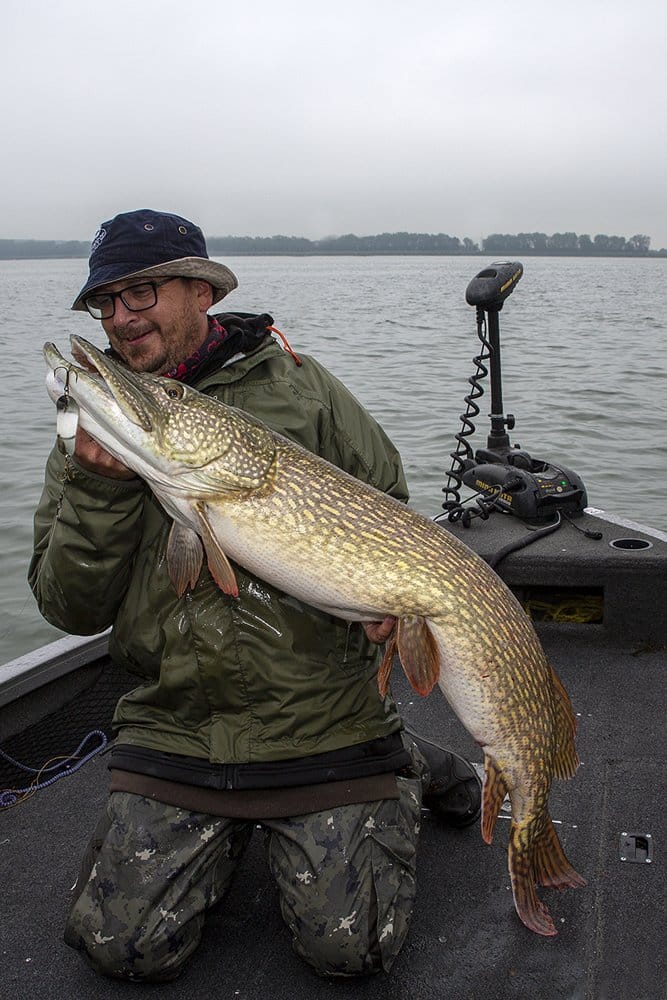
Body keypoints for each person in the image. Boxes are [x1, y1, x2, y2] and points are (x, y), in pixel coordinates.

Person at [29, 209, 480, 982]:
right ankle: (387, 759)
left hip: (318, 715)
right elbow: (68, 609)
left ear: (200, 291)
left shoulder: (304, 391)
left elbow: (391, 511)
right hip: (174, 724)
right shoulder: (98, 434)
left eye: (140, 292)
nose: (119, 318)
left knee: (350, 951)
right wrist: (99, 490)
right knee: (123, 951)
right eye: (104, 302)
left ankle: (395, 762)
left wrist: (388, 596)